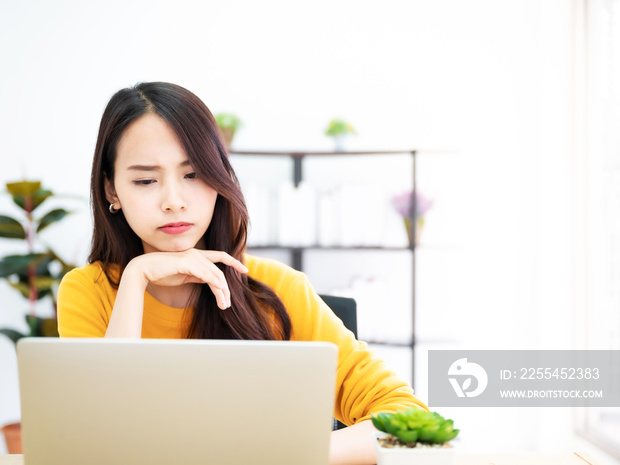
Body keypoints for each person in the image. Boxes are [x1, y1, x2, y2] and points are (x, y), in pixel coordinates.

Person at [57, 81, 427, 465]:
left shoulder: (278, 287)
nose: (173, 202)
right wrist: (135, 278)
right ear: (111, 190)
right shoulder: (88, 291)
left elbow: (409, 420)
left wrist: (287, 456)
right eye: (145, 180)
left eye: (194, 174)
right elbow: (97, 443)